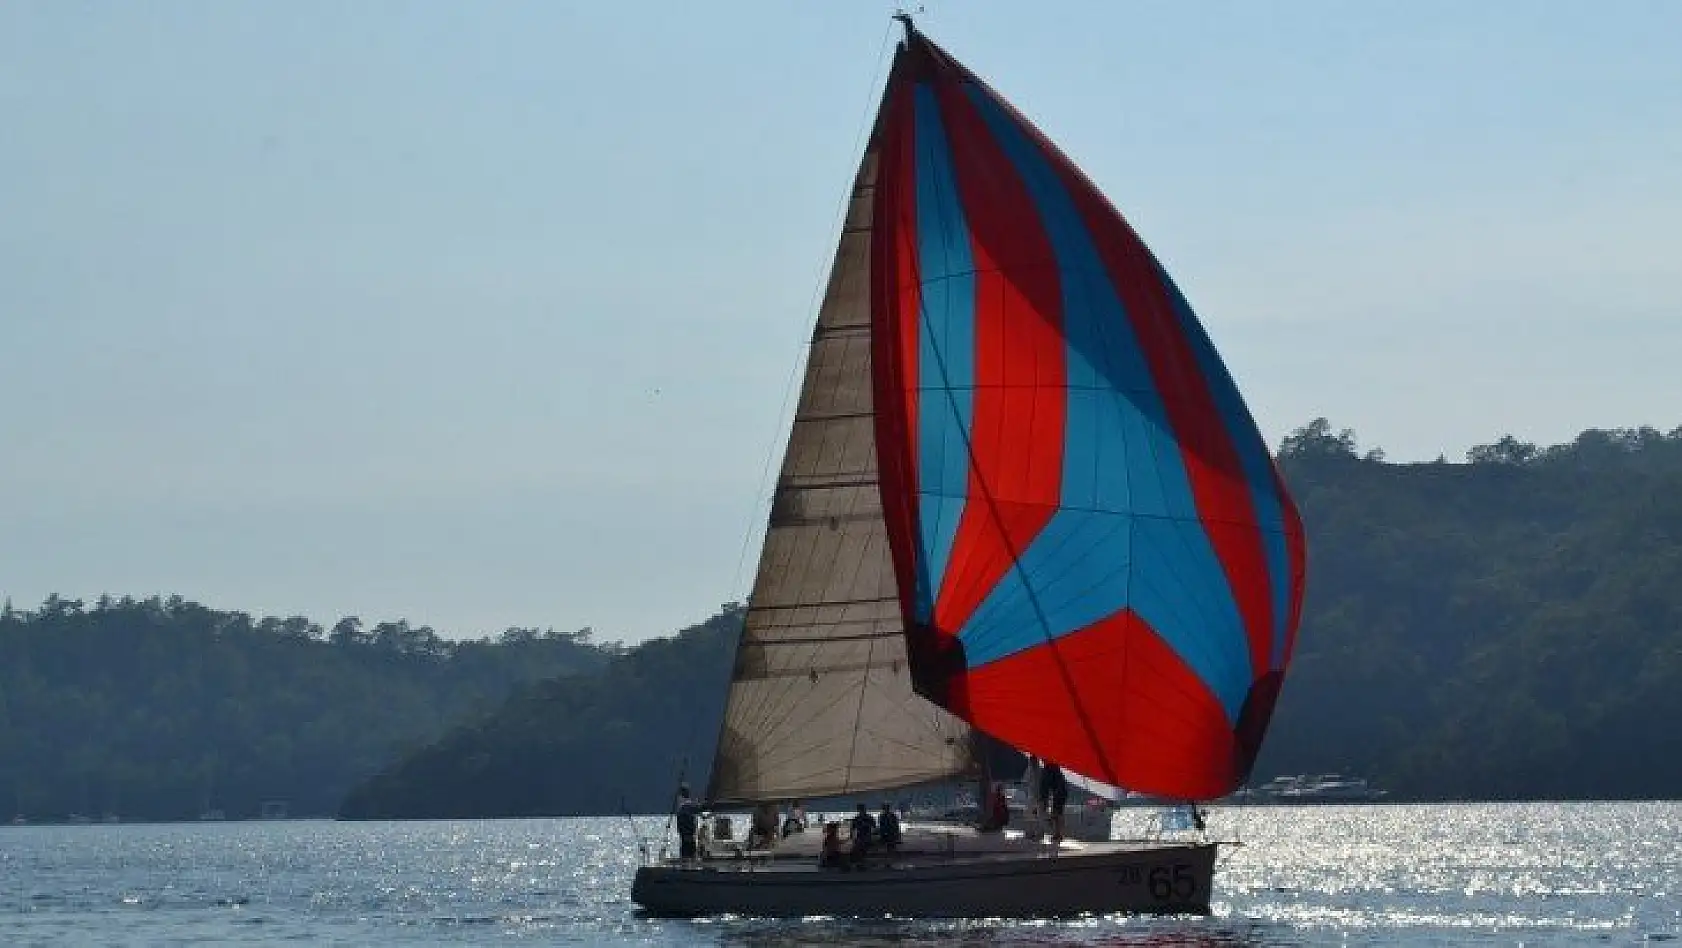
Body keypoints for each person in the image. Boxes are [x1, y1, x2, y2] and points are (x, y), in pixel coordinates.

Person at [1040, 760, 1068, 842]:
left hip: (1058, 793)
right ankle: (1058, 834)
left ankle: (1057, 834)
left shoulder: (1048, 769)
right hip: (1061, 792)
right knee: (1057, 813)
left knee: (1056, 814)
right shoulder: (1055, 767)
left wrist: (1044, 800)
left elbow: (1045, 786)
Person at [675, 784, 703, 862]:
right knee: (689, 854)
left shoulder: (682, 806)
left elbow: (696, 810)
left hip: (686, 836)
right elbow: (697, 809)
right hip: (688, 836)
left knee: (686, 855)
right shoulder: (686, 806)